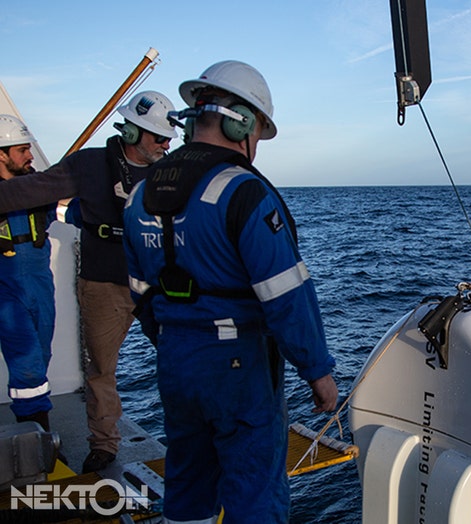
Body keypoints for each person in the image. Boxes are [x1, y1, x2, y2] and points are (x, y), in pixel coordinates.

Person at [122, 60, 338, 523]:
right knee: (254, 488)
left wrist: (173, 337)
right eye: (257, 131)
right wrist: (318, 371)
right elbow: (285, 293)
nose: (255, 144)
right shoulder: (243, 191)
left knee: (189, 482)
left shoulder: (141, 196)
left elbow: (138, 290)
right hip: (238, 365)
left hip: (176, 360)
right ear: (240, 121)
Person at [0, 91, 179, 473]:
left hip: (159, 285)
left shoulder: (175, 171)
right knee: (100, 369)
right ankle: (104, 445)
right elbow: (30, 189)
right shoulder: (89, 164)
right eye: (159, 137)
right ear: (132, 132)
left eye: (168, 137)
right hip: (103, 285)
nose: (167, 143)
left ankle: (191, 439)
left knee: (183, 360)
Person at [0, 114, 56, 433]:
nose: (30, 156)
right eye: (22, 150)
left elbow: (66, 211)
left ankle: (36, 436)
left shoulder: (39, 188)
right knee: (28, 366)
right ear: (2, 154)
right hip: (7, 290)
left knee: (42, 357)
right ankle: (39, 442)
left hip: (41, 287)